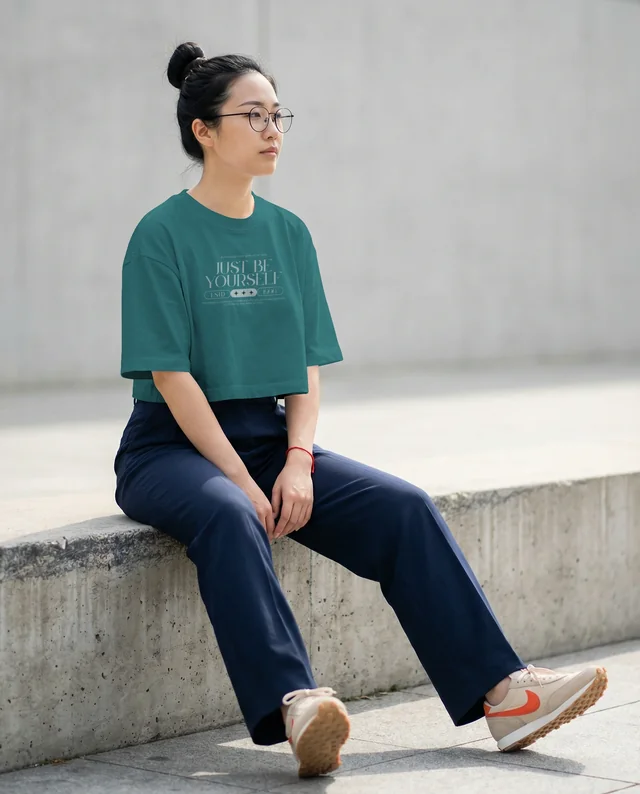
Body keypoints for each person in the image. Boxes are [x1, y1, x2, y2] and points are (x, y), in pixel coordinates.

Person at [114, 41, 607, 779]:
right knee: (227, 513)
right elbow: (172, 377)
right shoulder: (160, 235)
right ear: (203, 131)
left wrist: (298, 459)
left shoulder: (289, 234)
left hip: (269, 436)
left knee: (403, 508)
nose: (273, 127)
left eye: (278, 113)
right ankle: (297, 704)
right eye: (252, 115)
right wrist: (248, 484)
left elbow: (306, 368)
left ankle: (504, 696)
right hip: (170, 448)